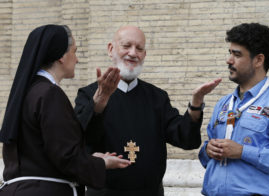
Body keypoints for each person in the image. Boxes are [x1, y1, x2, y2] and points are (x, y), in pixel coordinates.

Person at [74, 25, 221, 196]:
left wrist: (195, 104)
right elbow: (81, 140)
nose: (133, 53)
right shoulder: (88, 94)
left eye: (139, 48)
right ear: (111, 49)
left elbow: (185, 138)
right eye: (126, 46)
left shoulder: (157, 97)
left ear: (144, 55)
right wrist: (98, 103)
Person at [0, 24, 131, 196]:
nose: (77, 59)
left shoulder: (29, 92)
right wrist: (102, 163)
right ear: (61, 55)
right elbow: (66, 157)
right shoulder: (49, 94)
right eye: (74, 51)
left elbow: (47, 152)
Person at [198, 23, 269, 195]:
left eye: (237, 55)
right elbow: (205, 158)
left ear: (259, 60)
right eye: (229, 53)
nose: (229, 60)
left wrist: (243, 152)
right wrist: (208, 150)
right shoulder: (223, 103)